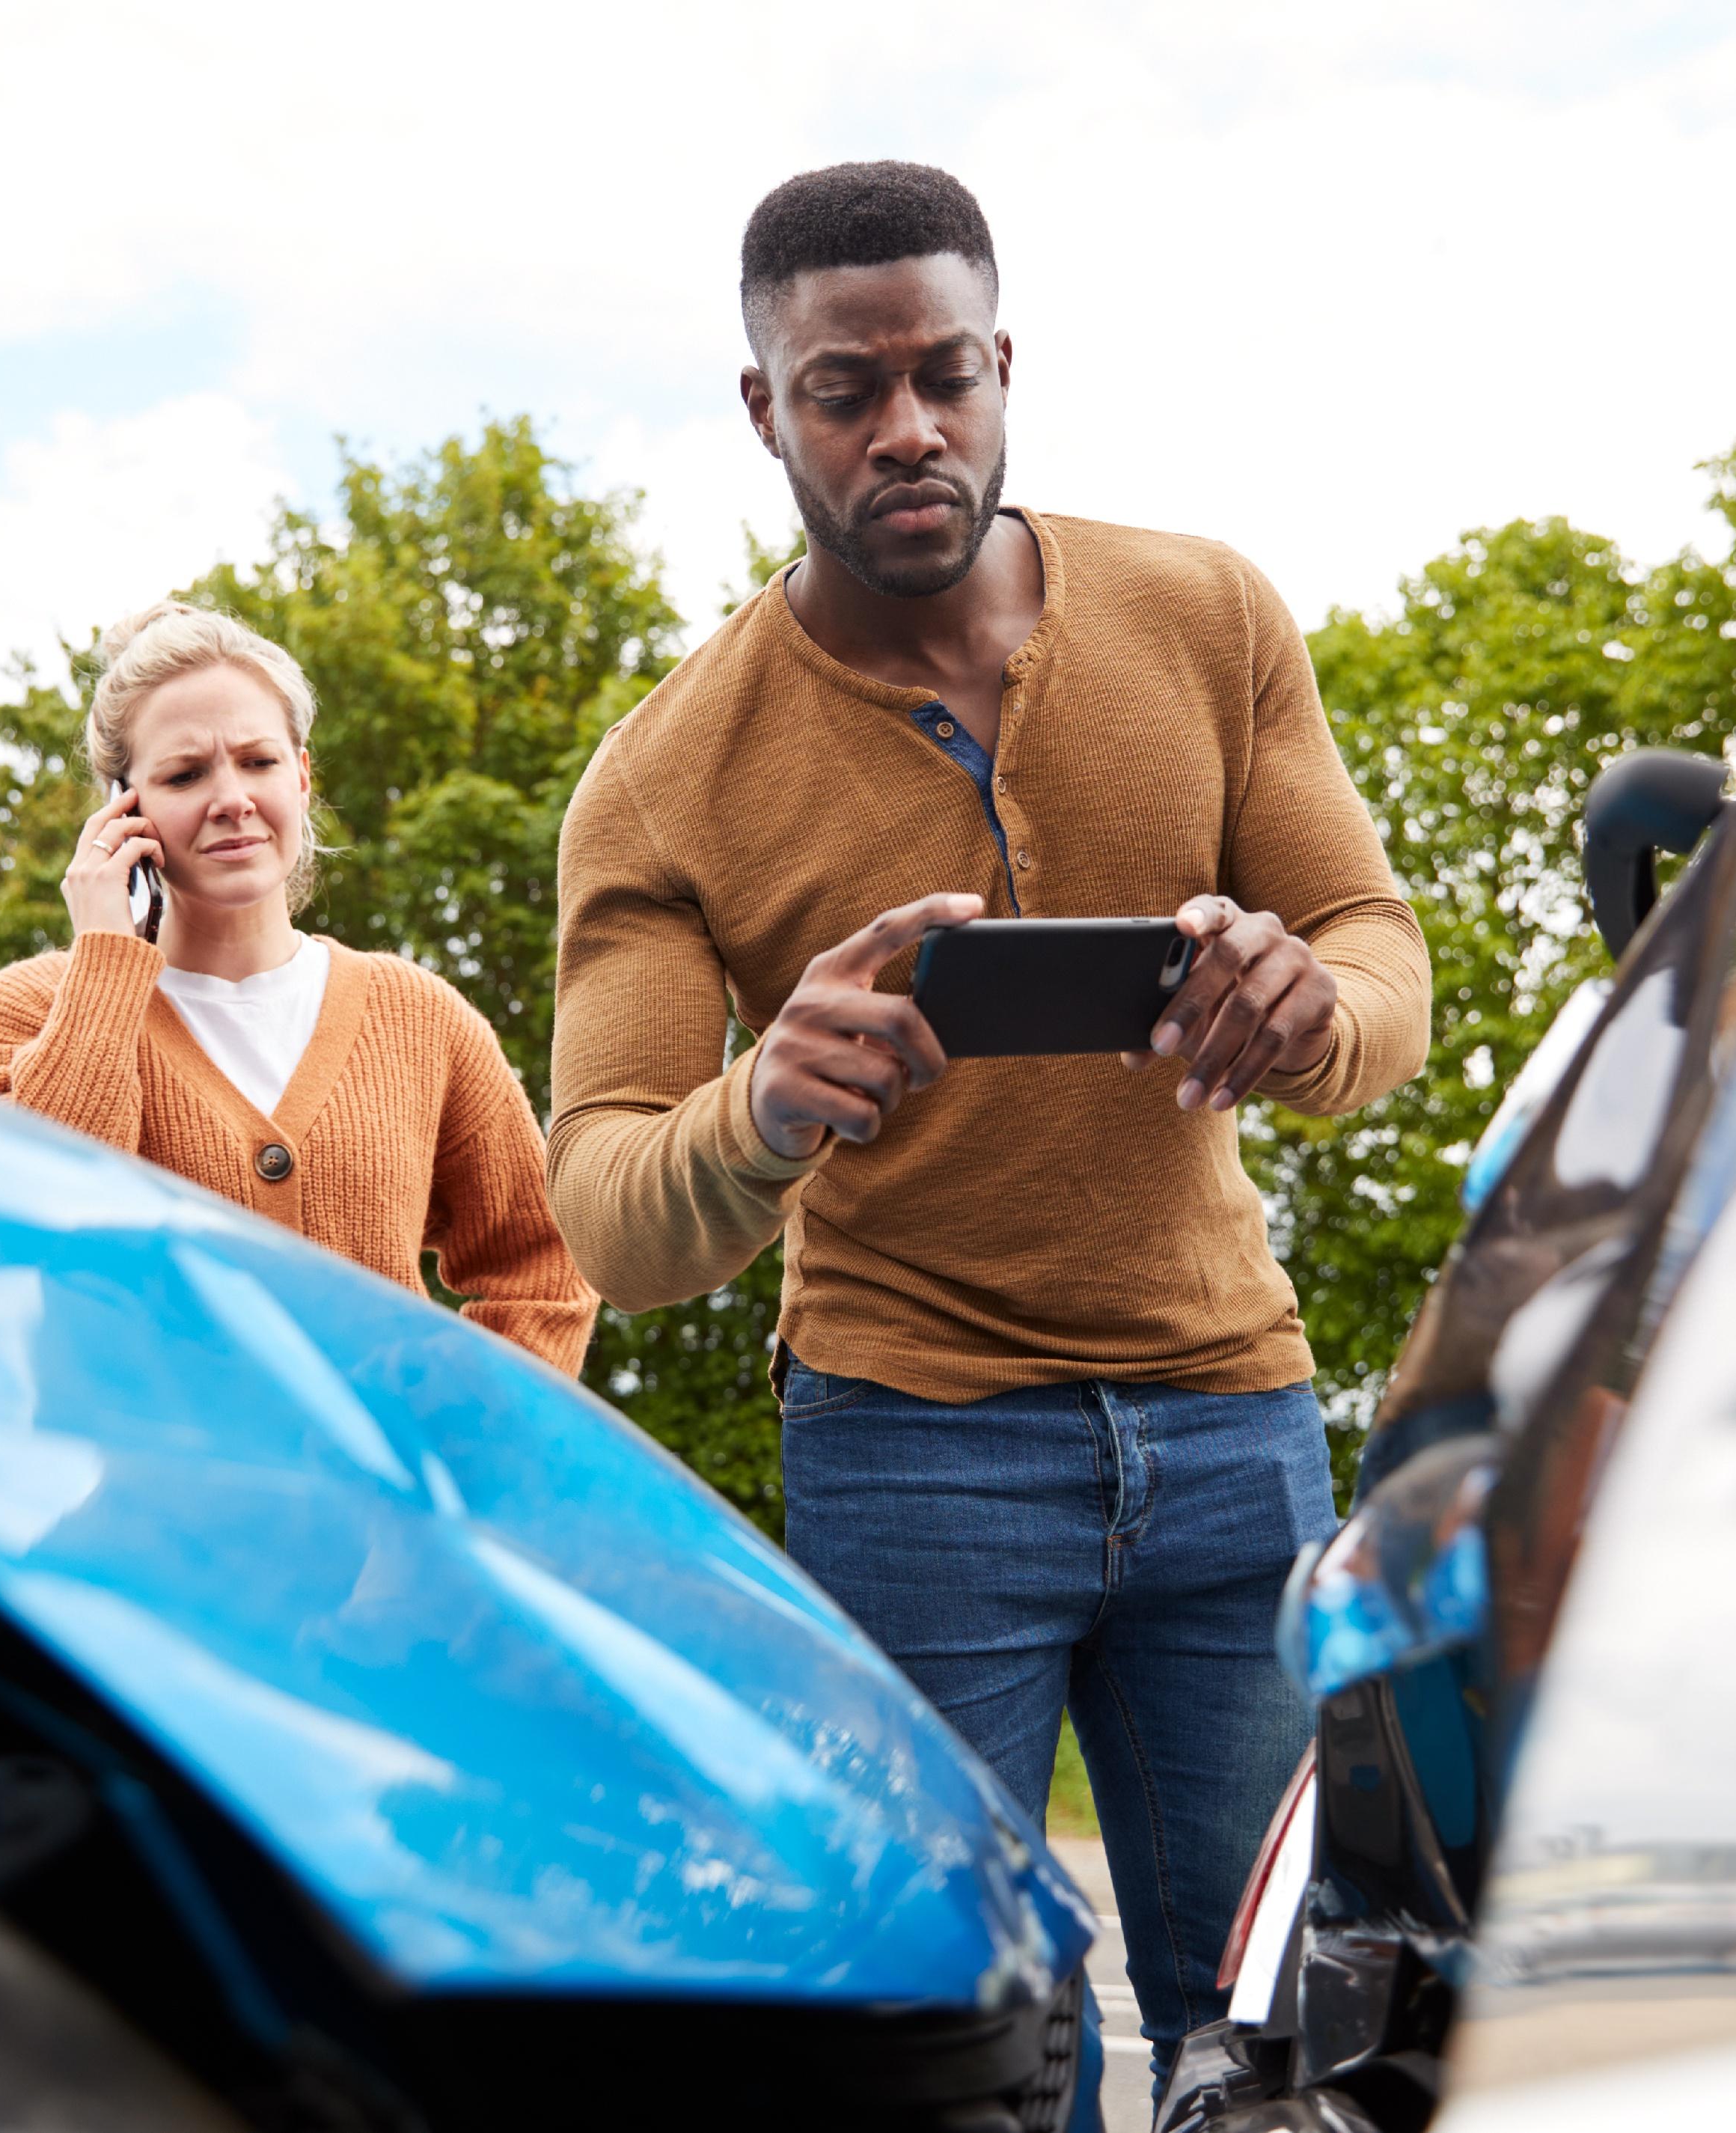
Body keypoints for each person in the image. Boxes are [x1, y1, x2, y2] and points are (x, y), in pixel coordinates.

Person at [546, 162, 1429, 2102]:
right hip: (912, 1453)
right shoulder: (661, 777)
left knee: (1275, 2039)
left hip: (1229, 1420)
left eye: (943, 374)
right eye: (845, 389)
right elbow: (608, 1209)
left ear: (1003, 364)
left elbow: (1377, 962)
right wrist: (764, 1106)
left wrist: (1309, 1008)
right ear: (765, 410)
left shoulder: (1208, 613)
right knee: (959, 2062)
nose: (907, 428)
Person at [0, 599, 596, 1376]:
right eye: (186, 774)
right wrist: (103, 959)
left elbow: (542, 1269)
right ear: (125, 809)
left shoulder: (420, 1018)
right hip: (138, 1493)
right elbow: (36, 1232)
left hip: (376, 1499)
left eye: (257, 762)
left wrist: (463, 1441)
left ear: (300, 774)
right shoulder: (27, 1011)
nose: (232, 798)